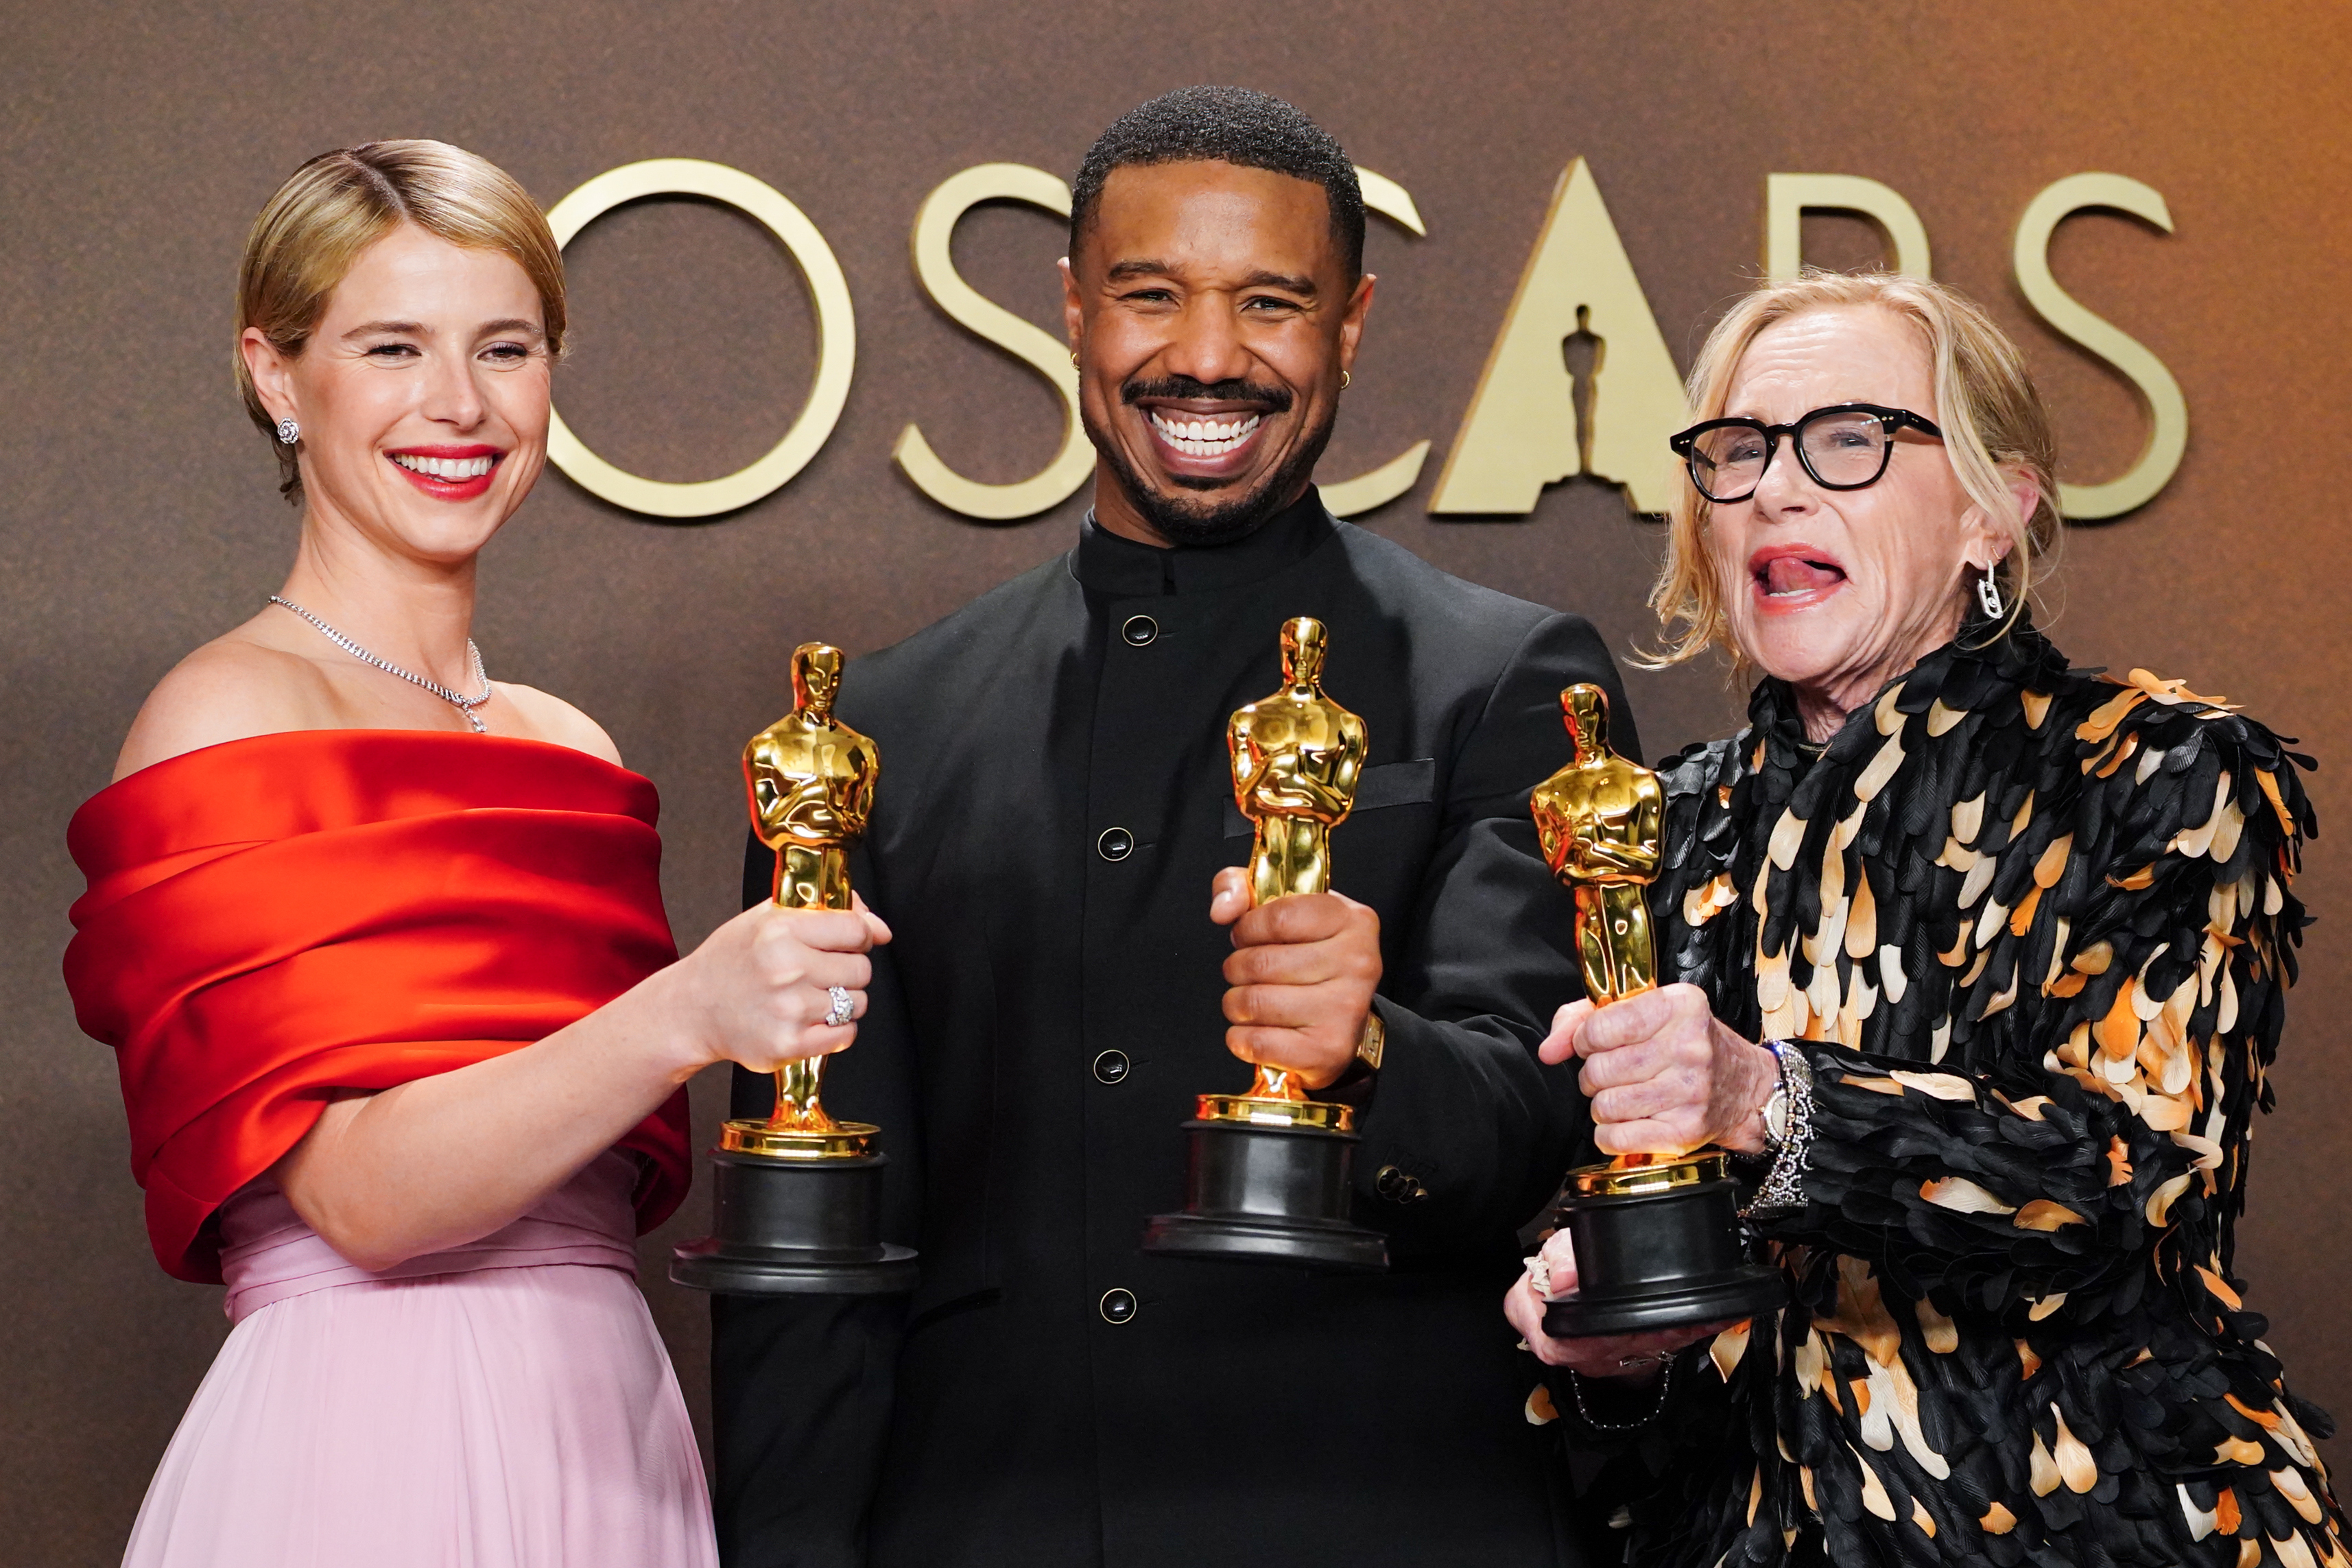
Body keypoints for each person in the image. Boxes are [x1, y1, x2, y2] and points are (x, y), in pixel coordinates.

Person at [713, 86, 1629, 1567]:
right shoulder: (869, 731)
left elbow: (1553, 1133)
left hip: (1378, 1518)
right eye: (1151, 296)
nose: (1207, 357)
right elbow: (816, 1244)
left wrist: (1374, 1052)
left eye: (1271, 303)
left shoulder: (1502, 679)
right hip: (984, 1521)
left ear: (1351, 324)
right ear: (1072, 311)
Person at [62, 141, 885, 1568]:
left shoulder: (566, 743)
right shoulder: (229, 713)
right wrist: (687, 1013)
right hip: (370, 1445)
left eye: (504, 347)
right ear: (276, 374)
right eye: (392, 347)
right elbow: (364, 1202)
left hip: (610, 1431)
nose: (459, 404)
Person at [1502, 272, 2349, 1567]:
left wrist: (1768, 1102)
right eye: (1737, 451)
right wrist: (1605, 1351)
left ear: (1989, 512)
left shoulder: (2161, 775)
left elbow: (2126, 1178)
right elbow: (1631, 1290)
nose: (1775, 488)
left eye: (1847, 438)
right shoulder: (1649, 828)